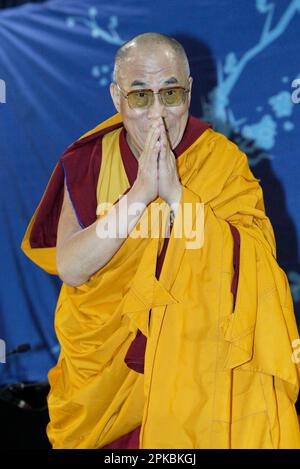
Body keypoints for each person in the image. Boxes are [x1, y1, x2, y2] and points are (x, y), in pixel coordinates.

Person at [21, 32, 300, 449]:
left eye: (170, 94)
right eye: (140, 96)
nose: (157, 114)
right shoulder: (87, 161)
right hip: (105, 383)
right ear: (116, 97)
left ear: (189, 91)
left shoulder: (219, 161)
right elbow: (72, 267)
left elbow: (256, 265)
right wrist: (140, 195)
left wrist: (176, 196)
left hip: (194, 375)